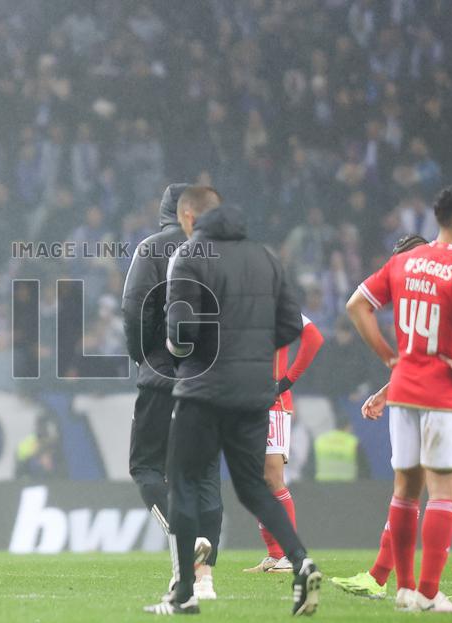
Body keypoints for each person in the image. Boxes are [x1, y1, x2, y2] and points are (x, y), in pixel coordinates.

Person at [146, 186, 321, 616]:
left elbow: (182, 335)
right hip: (254, 394)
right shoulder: (264, 257)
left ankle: (185, 590)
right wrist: (255, 355)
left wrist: (178, 347)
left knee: (184, 484)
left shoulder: (188, 256)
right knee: (256, 489)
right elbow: (290, 325)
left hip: (203, 391)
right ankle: (301, 562)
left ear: (189, 217)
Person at [332, 234, 452, 603]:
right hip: (434, 401)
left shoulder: (449, 293)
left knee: (428, 489)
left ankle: (385, 577)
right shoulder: (425, 299)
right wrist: (385, 391)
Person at [122, 183, 219, 601]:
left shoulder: (152, 248)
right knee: (203, 474)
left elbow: (134, 308)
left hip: (163, 377)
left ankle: (185, 535)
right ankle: (202, 579)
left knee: (146, 467)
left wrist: (143, 357)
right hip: (212, 383)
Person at [244, 314, 324, 573]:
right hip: (245, 405)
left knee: (272, 478)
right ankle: (274, 554)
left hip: (271, 405)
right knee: (257, 482)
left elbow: (313, 337)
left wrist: (286, 382)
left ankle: (291, 556)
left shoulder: (277, 303)